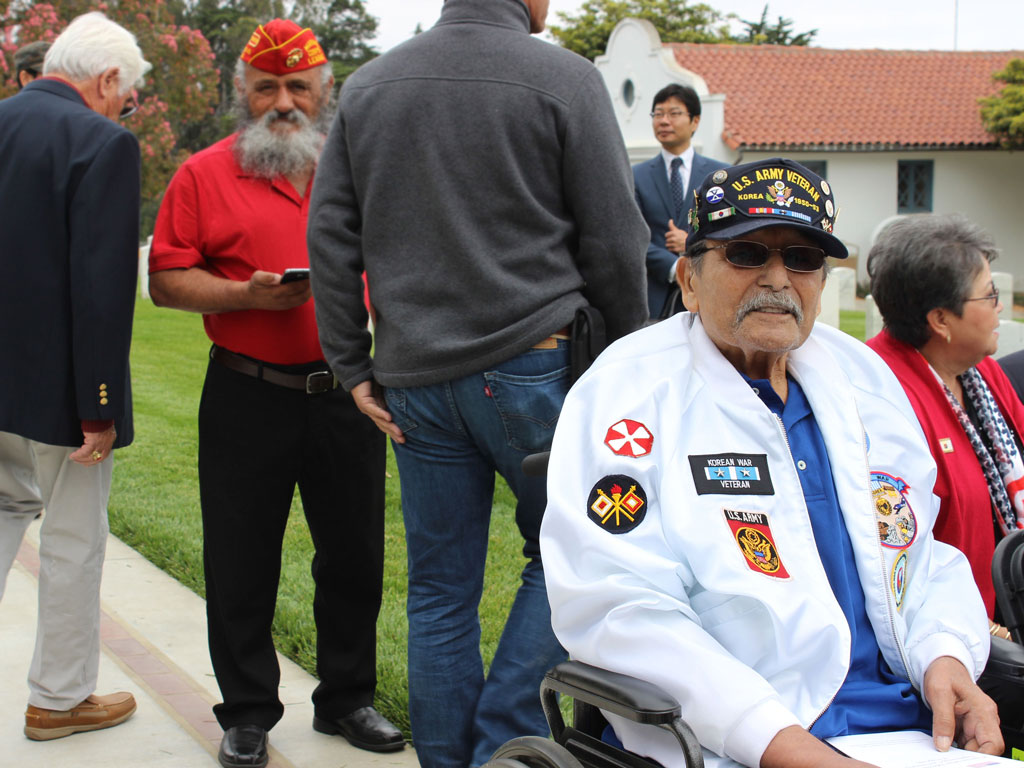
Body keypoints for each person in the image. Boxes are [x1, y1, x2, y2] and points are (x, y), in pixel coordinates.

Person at [541, 158, 1002, 768]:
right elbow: (620, 607)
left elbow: (923, 555)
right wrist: (785, 747)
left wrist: (945, 654)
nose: (778, 279)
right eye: (747, 254)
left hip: (911, 733)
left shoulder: (863, 381)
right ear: (688, 279)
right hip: (733, 743)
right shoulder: (627, 395)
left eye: (804, 259)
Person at [306, 0, 650, 765]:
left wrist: (349, 364)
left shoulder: (369, 87)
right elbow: (616, 233)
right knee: (574, 556)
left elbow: (329, 234)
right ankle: (503, 746)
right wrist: (631, 359)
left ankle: (454, 759)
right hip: (535, 363)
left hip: (414, 379)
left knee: (438, 593)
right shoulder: (564, 78)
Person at [148, 19, 401, 768]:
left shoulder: (357, 170)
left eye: (299, 86)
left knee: (354, 555)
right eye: (267, 87)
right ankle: (248, 711)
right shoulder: (203, 174)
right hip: (245, 394)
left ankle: (348, 697)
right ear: (243, 94)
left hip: (345, 393)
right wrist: (244, 297)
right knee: (240, 557)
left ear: (326, 92)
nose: (283, 101)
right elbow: (164, 280)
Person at [0, 11, 148, 741]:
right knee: (73, 538)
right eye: (129, 93)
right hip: (59, 392)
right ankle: (58, 699)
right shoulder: (102, 142)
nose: (128, 107)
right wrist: (98, 404)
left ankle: (61, 694)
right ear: (108, 78)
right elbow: (100, 288)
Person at [866, 214, 1024, 639]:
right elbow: (896, 556)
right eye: (988, 296)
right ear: (940, 320)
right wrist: (988, 630)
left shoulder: (982, 375)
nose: (1000, 306)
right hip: (955, 635)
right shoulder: (882, 396)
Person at [633, 83, 729, 319]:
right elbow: (631, 236)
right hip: (651, 300)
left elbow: (729, 231)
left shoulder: (720, 176)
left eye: (674, 113)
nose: (664, 121)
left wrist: (691, 243)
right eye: (658, 114)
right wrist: (675, 267)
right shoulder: (634, 175)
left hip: (706, 297)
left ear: (695, 121)